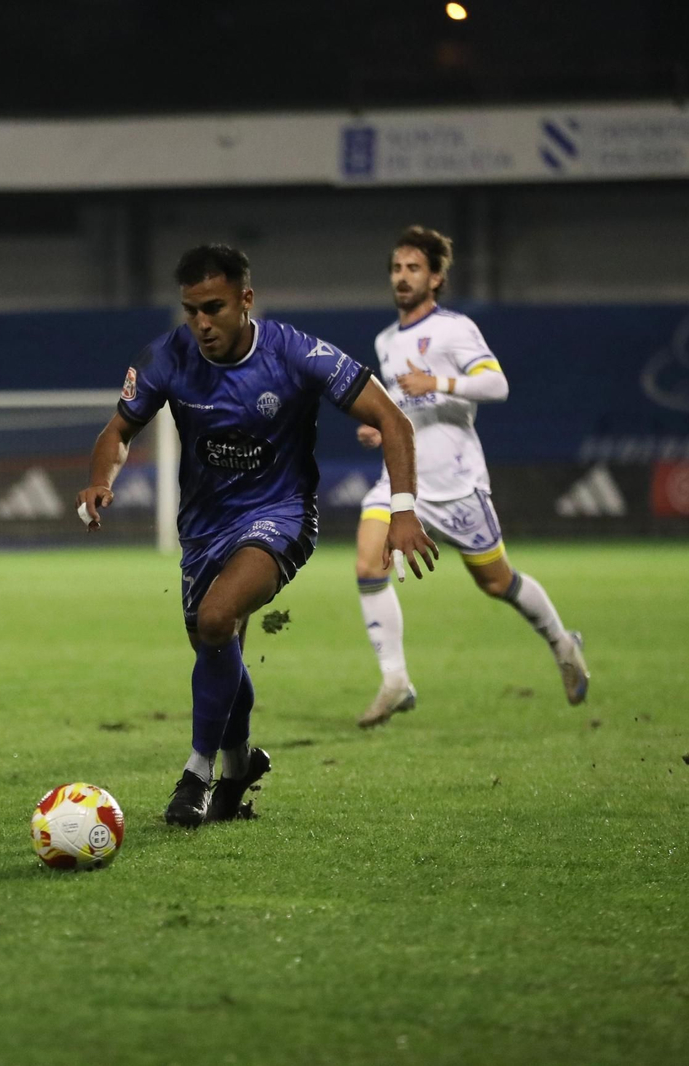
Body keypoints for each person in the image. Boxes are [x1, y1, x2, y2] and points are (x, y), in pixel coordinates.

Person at [77, 246, 435, 828]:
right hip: (203, 527)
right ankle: (239, 763)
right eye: (192, 310)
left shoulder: (296, 353)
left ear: (246, 299)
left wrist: (403, 510)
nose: (201, 322)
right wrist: (100, 480)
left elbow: (392, 420)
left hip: (281, 514)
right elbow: (119, 431)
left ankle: (196, 773)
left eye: (214, 308)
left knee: (218, 619)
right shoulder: (167, 357)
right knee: (217, 648)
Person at [352, 226, 589, 729]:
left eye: (414, 268)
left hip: (456, 483)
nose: (402, 277)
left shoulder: (455, 329)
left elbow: (496, 384)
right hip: (403, 482)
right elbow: (404, 405)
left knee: (497, 582)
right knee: (368, 563)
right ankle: (395, 680)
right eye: (396, 268)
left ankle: (562, 643)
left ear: (436, 278)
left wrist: (437, 381)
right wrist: (384, 425)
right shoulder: (386, 340)